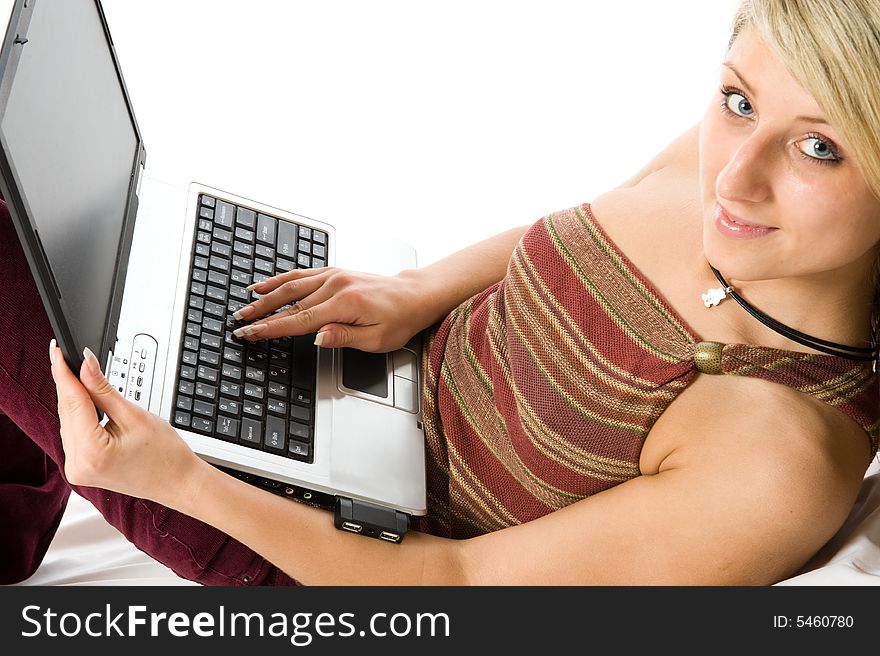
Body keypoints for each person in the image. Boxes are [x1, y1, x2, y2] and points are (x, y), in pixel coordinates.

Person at [4, 0, 880, 585]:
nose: (734, 177)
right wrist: (413, 293)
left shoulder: (778, 461)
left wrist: (177, 480)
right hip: (376, 371)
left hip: (323, 553)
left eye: (821, 149)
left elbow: (454, 589)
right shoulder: (742, 151)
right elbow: (581, 230)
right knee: (76, 253)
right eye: (735, 100)